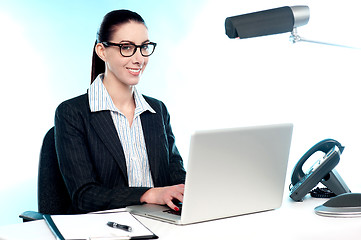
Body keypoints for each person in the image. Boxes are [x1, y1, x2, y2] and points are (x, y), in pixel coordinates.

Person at [55, 9, 186, 214]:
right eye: (127, 47)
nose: (139, 58)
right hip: (106, 227)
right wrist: (148, 194)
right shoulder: (72, 113)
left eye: (144, 47)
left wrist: (195, 189)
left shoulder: (157, 110)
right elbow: (84, 196)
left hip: (163, 223)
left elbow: (177, 176)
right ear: (102, 51)